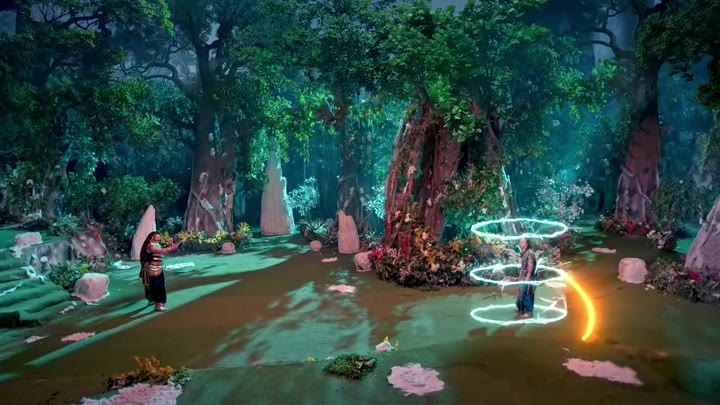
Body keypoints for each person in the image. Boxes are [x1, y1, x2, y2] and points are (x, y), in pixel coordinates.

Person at [139, 232, 180, 312]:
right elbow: (158, 251)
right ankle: (158, 305)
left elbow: (163, 251)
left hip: (159, 268)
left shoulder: (157, 245)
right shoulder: (150, 246)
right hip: (152, 269)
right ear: (152, 238)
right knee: (156, 287)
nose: (159, 238)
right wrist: (171, 248)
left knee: (160, 286)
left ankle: (157, 302)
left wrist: (172, 247)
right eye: (157, 237)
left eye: (159, 237)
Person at [515, 237, 537, 319]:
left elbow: (530, 266)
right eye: (520, 242)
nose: (520, 244)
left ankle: (529, 312)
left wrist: (527, 278)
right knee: (521, 292)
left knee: (527, 293)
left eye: (522, 242)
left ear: (526, 243)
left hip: (528, 277)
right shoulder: (525, 252)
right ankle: (520, 307)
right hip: (523, 276)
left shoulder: (529, 253)